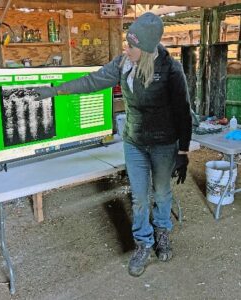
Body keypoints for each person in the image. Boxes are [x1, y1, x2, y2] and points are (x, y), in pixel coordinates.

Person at [33, 12, 192, 277]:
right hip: (135, 142)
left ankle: (162, 231)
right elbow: (93, 81)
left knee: (162, 193)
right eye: (127, 43)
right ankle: (144, 242)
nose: (126, 49)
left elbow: (183, 111)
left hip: (164, 144)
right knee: (140, 198)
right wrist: (56, 90)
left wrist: (184, 151)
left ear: (147, 49)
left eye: (132, 46)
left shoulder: (170, 69)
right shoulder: (122, 64)